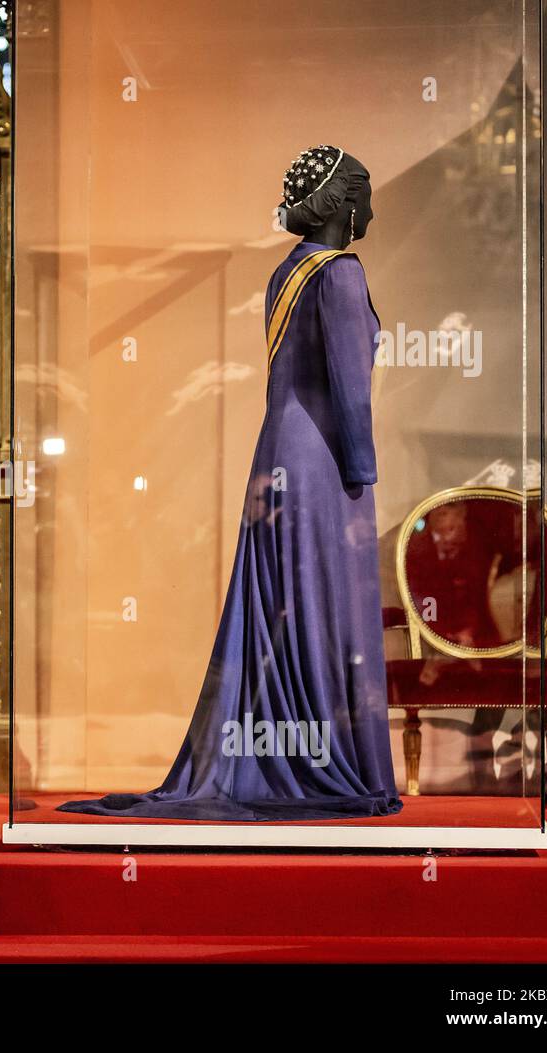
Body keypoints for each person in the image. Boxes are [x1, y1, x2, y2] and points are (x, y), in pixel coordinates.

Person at [60, 145, 403, 822]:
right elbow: (349, 389)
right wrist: (362, 470)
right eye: (363, 190)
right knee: (323, 607)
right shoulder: (340, 274)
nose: (372, 205)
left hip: (276, 451)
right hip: (321, 461)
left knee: (283, 605)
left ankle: (278, 757)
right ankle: (321, 761)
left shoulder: (287, 271)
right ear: (337, 202)